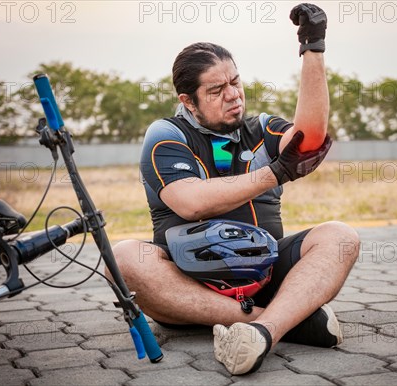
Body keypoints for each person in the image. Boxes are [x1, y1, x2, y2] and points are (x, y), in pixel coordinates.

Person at [110, 3, 360, 375]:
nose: (233, 95)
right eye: (216, 90)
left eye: (235, 82)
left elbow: (308, 141)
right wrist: (274, 174)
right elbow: (191, 203)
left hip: (266, 275)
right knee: (124, 258)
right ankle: (287, 322)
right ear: (188, 102)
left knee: (342, 236)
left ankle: (263, 331)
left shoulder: (260, 127)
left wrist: (313, 47)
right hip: (189, 288)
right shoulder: (166, 135)